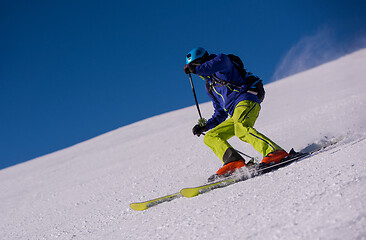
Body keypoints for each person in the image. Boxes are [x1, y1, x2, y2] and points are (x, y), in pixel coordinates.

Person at [183, 47, 289, 180]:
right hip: (235, 113)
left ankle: (275, 152)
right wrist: (205, 126)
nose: (197, 68)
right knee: (211, 136)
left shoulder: (222, 61)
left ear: (205, 59)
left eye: (198, 63)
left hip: (247, 101)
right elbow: (220, 113)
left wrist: (196, 69)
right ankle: (233, 162)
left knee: (241, 128)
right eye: (194, 66)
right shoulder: (210, 86)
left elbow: (212, 65)